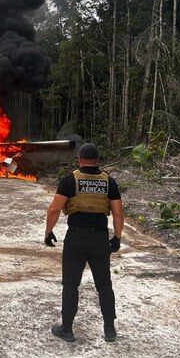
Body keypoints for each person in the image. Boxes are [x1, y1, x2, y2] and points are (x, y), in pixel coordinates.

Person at [44, 142, 124, 343]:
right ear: (97, 160)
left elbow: (54, 209)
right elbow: (118, 213)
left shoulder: (70, 180)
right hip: (99, 239)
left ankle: (67, 329)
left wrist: (48, 232)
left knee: (70, 285)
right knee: (104, 284)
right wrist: (117, 237)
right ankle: (109, 330)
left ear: (79, 160)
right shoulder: (109, 182)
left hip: (76, 239)